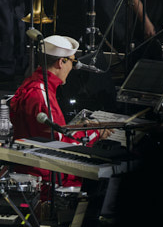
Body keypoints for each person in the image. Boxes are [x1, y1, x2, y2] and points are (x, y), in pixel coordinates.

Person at [9, 35, 105, 190]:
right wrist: (95, 133)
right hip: (47, 176)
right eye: (72, 61)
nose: (73, 67)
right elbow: (61, 147)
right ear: (61, 62)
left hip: (30, 166)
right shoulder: (42, 96)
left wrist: (80, 128)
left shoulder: (30, 84)